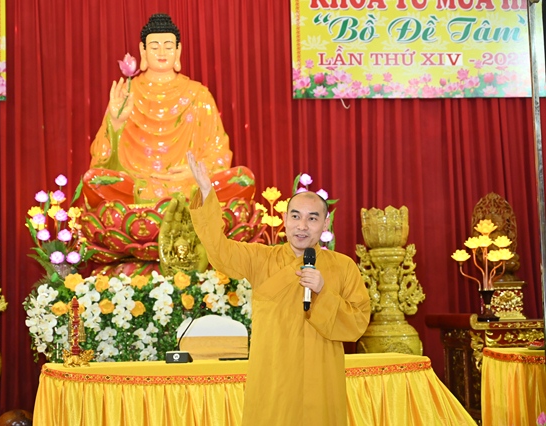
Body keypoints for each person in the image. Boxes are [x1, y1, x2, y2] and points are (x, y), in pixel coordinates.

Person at [186, 151, 371, 425]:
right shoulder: (261, 259)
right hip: (273, 381)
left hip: (320, 382)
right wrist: (205, 192)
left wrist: (324, 291)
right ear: (285, 219)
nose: (302, 226)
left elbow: (357, 324)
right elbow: (220, 250)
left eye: (312, 218)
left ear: (325, 223)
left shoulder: (343, 267)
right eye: (296, 216)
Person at [84, 13, 255, 207]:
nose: (161, 52)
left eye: (168, 46)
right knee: (95, 181)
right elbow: (103, 161)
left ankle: (154, 211)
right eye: (154, 47)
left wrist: (197, 171)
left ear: (178, 50)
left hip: (188, 183)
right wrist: (115, 123)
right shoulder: (127, 94)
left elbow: (218, 152)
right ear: (143, 50)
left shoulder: (198, 95)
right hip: (138, 183)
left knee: (242, 179)